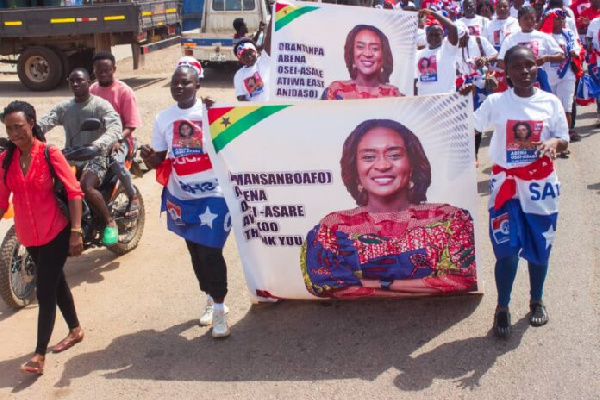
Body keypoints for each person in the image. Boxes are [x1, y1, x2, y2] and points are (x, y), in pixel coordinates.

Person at [301, 119, 477, 299]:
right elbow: (325, 285)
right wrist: (426, 285)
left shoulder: (450, 219)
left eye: (394, 155)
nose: (383, 165)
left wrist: (379, 284)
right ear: (355, 168)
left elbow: (464, 279)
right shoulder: (333, 227)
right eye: (369, 157)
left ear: (412, 165)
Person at [472, 45, 569, 337]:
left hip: (541, 189)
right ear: (507, 72)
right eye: (517, 66)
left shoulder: (550, 102)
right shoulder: (496, 102)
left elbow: (563, 139)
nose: (525, 71)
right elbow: (470, 125)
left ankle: (537, 299)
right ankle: (502, 307)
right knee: (507, 251)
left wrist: (555, 144)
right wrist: (464, 98)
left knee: (540, 249)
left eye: (529, 65)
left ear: (536, 66)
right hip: (506, 187)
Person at [140, 59, 232, 338]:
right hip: (182, 196)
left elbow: (231, 143)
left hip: (214, 195)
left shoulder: (210, 111)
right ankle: (209, 296)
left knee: (210, 251)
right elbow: (159, 159)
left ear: (197, 85)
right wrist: (148, 157)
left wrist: (213, 109)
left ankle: (219, 309)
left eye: (186, 82)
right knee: (195, 252)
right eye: (175, 83)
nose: (179, 87)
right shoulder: (163, 118)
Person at [0, 101, 84, 375]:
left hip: (56, 232)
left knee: (45, 290)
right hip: (28, 235)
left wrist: (75, 231)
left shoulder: (49, 153)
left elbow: (73, 192)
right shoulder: (5, 161)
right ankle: (75, 329)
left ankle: (38, 354)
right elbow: (2, 201)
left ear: (32, 123)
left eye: (19, 127)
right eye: (9, 128)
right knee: (56, 282)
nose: (14, 133)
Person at [38, 68, 122, 245]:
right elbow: (44, 122)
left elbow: (115, 126)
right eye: (72, 81)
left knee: (86, 187)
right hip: (71, 156)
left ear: (89, 82)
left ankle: (110, 221)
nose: (75, 84)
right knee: (50, 187)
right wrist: (27, 133)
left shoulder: (100, 105)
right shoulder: (65, 107)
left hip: (96, 156)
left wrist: (98, 144)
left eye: (80, 80)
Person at [90, 51, 142, 217]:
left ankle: (132, 194)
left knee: (116, 162)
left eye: (107, 70)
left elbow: (131, 124)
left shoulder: (124, 92)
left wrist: (117, 139)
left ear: (114, 69)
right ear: (94, 70)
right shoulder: (92, 89)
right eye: (100, 70)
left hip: (122, 139)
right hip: (98, 140)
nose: (103, 74)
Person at [321, 25, 404, 100]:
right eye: (360, 47)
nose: (367, 54)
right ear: (351, 53)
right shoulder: (336, 91)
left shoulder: (394, 95)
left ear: (383, 56)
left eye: (375, 48)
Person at [539, 9, 582, 146]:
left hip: (566, 74)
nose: (558, 21)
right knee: (550, 109)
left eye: (560, 19)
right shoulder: (544, 36)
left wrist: (573, 52)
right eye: (555, 18)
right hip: (549, 76)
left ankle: (564, 141)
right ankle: (551, 138)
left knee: (566, 107)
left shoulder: (568, 34)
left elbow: (577, 47)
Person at [498, 6, 565, 91]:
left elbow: (561, 56)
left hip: (540, 80)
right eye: (525, 18)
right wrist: (515, 68)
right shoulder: (511, 39)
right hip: (517, 80)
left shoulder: (544, 37)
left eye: (532, 18)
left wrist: (546, 58)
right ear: (519, 21)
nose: (529, 21)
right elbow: (500, 61)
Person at [414, 9, 460, 95]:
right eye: (431, 34)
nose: (434, 37)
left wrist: (432, 13)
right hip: (424, 102)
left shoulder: (448, 48)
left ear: (443, 36)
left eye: (437, 34)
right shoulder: (418, 54)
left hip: (446, 100)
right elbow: (415, 80)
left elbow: (452, 27)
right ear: (426, 36)